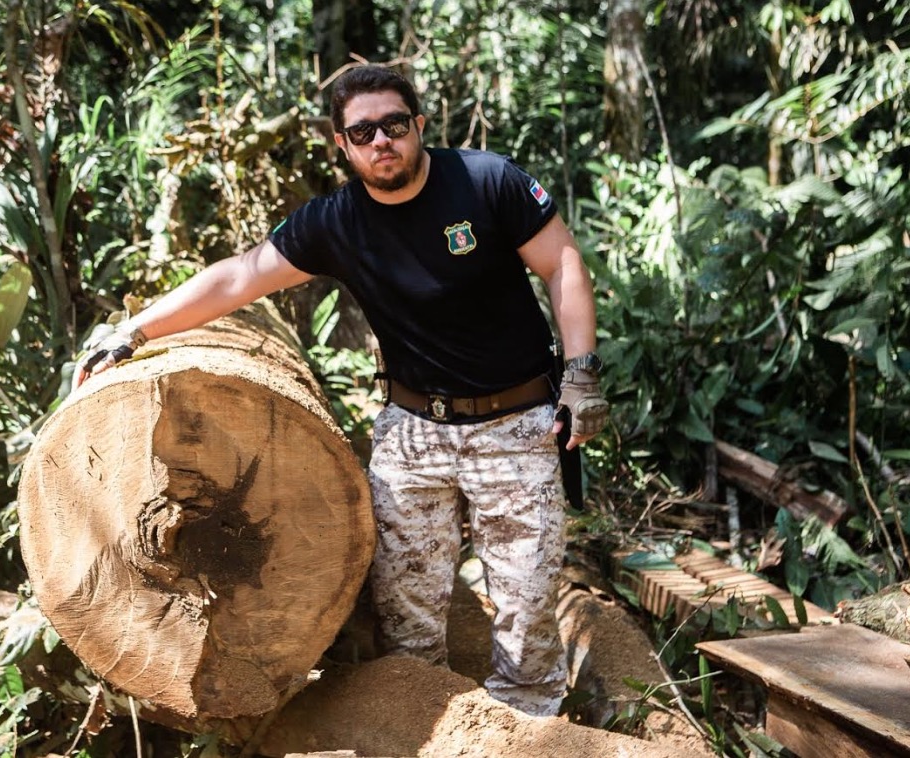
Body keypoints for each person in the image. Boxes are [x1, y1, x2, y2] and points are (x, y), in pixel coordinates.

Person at [74, 65, 609, 717]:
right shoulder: (336, 222)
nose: (381, 141)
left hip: (516, 422)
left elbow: (562, 263)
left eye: (393, 125)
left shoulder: (485, 181)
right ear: (342, 144)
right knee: (406, 621)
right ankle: (426, 725)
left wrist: (581, 374)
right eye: (363, 131)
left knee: (526, 613)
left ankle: (530, 729)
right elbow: (239, 279)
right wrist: (132, 329)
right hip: (413, 434)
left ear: (418, 125)